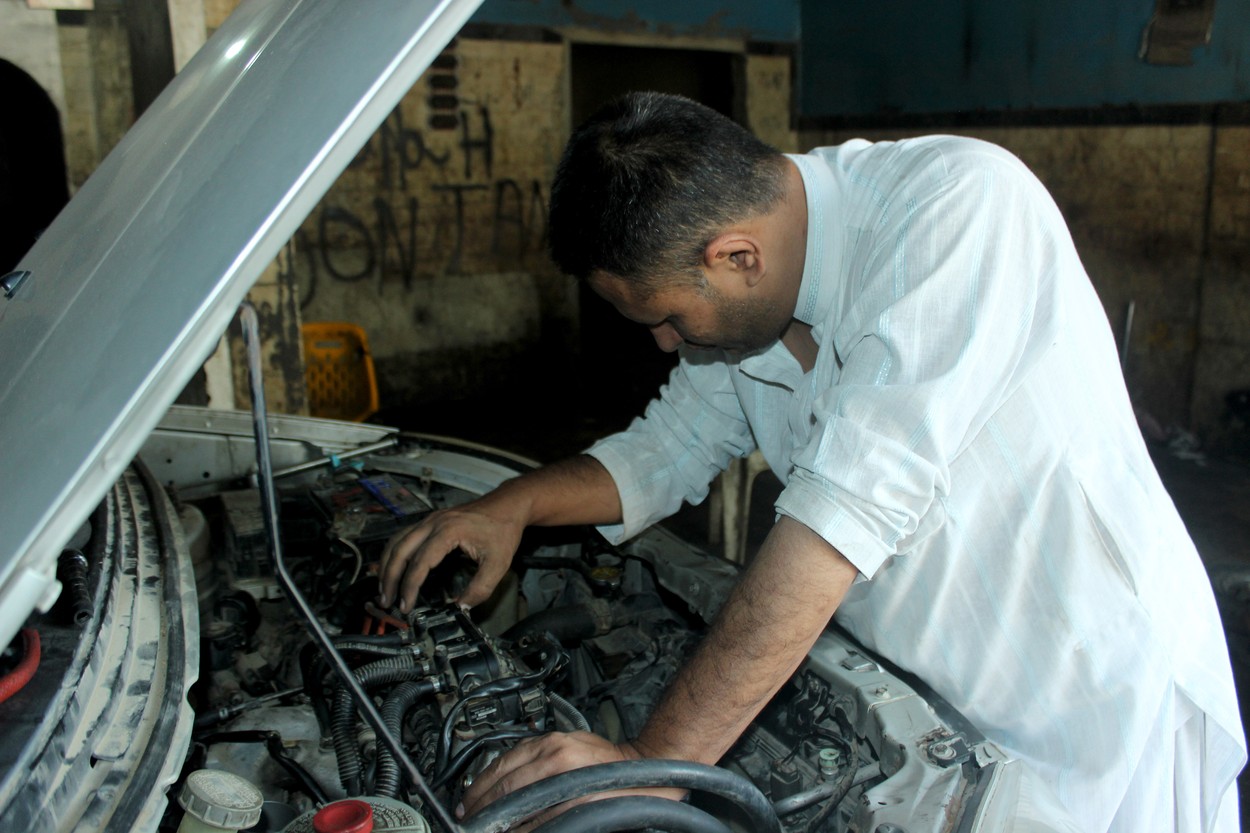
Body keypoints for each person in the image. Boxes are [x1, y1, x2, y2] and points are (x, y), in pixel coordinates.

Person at [378, 92, 1246, 831]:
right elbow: (665, 447)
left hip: (1089, 707)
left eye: (669, 317)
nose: (666, 343)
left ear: (738, 256)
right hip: (932, 717)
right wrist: (513, 504)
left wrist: (649, 760)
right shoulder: (746, 311)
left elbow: (837, 522)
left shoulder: (958, 207)